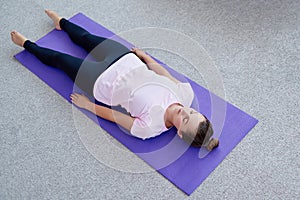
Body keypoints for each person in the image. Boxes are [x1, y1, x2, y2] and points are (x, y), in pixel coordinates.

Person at [11, 10, 219, 151]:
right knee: (86, 38)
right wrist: (146, 57)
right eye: (192, 112)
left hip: (101, 81)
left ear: (180, 133)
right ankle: (61, 23)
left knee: (60, 59)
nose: (184, 111)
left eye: (184, 119)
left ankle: (26, 44)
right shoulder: (186, 94)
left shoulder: (149, 128)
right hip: (125, 60)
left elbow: (114, 116)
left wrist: (88, 105)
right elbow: (164, 74)